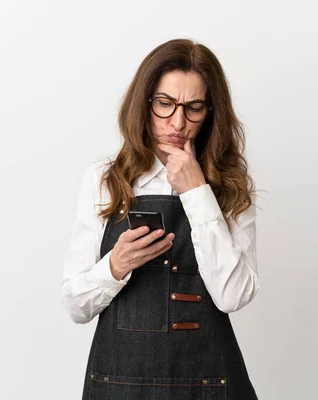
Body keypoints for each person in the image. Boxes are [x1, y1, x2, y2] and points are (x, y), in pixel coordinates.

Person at [61, 38, 260, 399]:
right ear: (144, 102)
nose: (178, 122)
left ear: (211, 112)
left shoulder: (229, 186)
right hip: (120, 384)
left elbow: (233, 295)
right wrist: (115, 266)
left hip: (208, 384)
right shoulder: (104, 180)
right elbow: (75, 306)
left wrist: (197, 192)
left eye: (194, 107)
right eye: (165, 104)